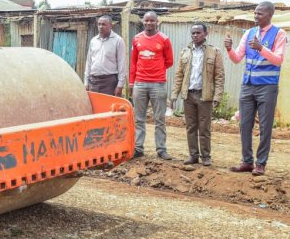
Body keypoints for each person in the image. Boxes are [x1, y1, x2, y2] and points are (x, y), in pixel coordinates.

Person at [224, 1, 287, 176]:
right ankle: (246, 161)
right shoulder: (249, 33)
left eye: (260, 13)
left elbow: (278, 60)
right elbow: (237, 58)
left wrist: (261, 48)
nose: (256, 16)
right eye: (255, 13)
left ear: (269, 15)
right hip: (248, 85)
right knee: (245, 124)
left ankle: (261, 164)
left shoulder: (279, 34)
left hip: (267, 85)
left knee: (265, 126)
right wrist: (229, 49)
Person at [171, 23, 225, 166]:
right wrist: (174, 94)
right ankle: (193, 155)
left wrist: (217, 96)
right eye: (193, 33)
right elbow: (179, 75)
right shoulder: (185, 52)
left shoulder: (214, 52)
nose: (195, 35)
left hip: (204, 95)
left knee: (205, 128)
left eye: (198, 33)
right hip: (188, 95)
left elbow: (219, 76)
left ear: (205, 34)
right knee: (190, 127)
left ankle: (206, 156)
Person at [129, 11, 174, 160]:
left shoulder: (164, 40)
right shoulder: (136, 39)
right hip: (140, 83)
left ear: (157, 22)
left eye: (152, 21)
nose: (149, 23)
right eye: (146, 20)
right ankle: (138, 148)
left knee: (159, 119)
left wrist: (156, 71)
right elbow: (134, 62)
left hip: (158, 84)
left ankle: (161, 149)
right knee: (138, 118)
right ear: (143, 21)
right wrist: (131, 82)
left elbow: (169, 61)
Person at [84, 15, 126, 97]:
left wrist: (120, 85)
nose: (101, 27)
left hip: (109, 82)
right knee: (94, 108)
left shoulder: (118, 40)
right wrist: (86, 82)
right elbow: (89, 62)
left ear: (111, 25)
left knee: (108, 108)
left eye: (104, 24)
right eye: (99, 24)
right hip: (93, 82)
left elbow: (122, 64)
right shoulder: (93, 41)